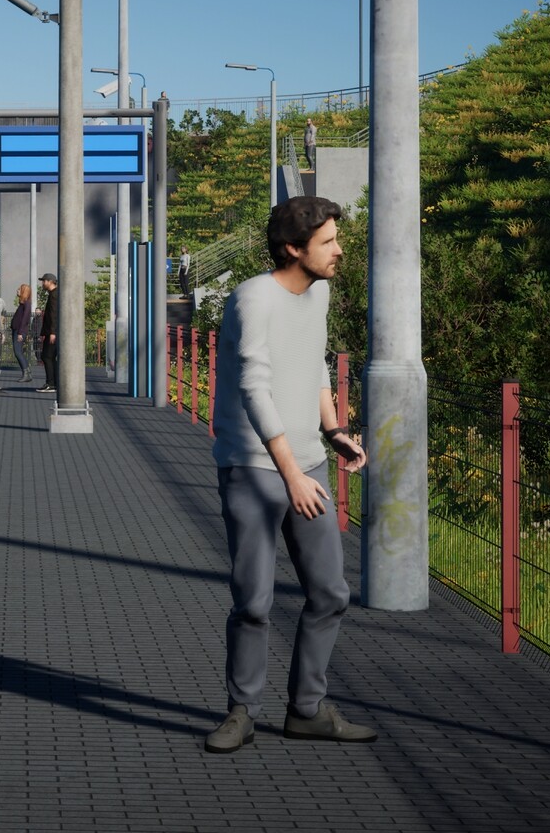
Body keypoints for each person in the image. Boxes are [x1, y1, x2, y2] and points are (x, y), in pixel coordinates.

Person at [204, 196, 373, 755]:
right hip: (254, 470)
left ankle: (306, 710)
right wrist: (291, 474)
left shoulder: (318, 293)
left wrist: (333, 429)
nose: (339, 250)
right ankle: (241, 712)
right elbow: (254, 387)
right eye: (328, 242)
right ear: (294, 249)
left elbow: (313, 362)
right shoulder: (253, 299)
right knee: (253, 602)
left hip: (308, 464)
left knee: (330, 593)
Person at [36, 272, 60, 393]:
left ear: (50, 282)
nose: (42, 283)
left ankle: (51, 383)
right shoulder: (53, 294)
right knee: (49, 357)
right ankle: (53, 382)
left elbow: (53, 315)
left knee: (47, 356)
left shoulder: (54, 295)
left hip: (52, 332)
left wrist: (53, 332)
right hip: (51, 332)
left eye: (44, 281)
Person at [8, 283, 34, 382]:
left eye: (19, 289)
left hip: (19, 331)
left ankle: (26, 373)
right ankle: (27, 372)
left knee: (18, 352)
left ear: (24, 292)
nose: (17, 291)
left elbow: (25, 319)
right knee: (17, 352)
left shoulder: (27, 304)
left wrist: (20, 332)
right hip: (17, 330)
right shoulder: (22, 304)